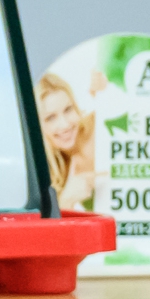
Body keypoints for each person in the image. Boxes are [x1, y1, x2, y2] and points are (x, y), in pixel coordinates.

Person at [37, 70, 100, 211]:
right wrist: (66, 201)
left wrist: (109, 94)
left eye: (68, 109)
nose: (65, 125)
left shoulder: (99, 125)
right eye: (50, 118)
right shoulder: (46, 174)